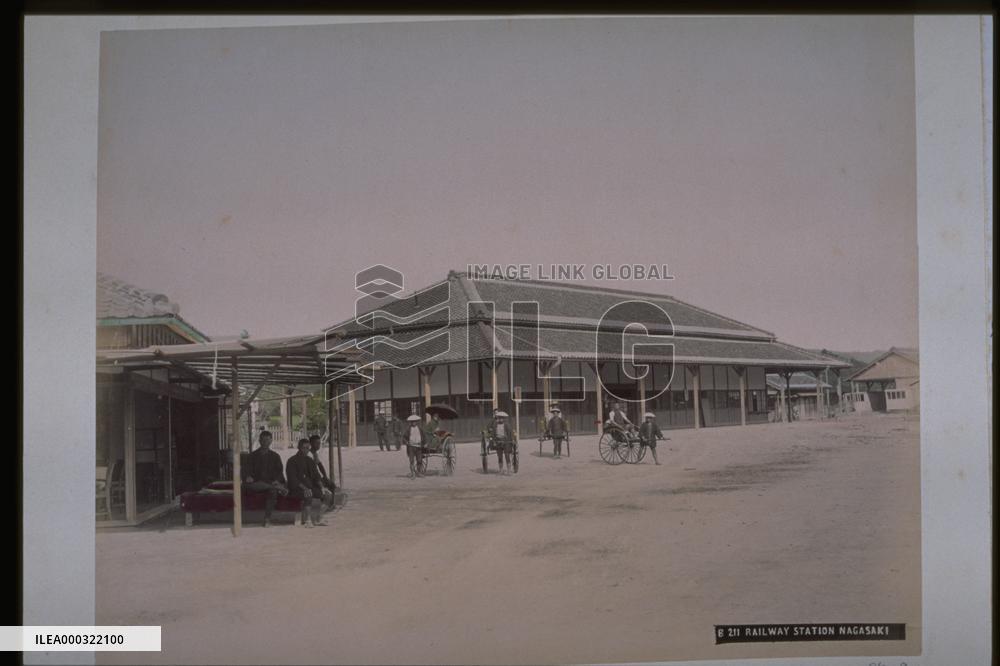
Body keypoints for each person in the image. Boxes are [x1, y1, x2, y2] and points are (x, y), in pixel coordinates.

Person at [244, 431, 287, 527]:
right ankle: (277, 488)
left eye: (267, 440)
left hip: (269, 483)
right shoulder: (251, 456)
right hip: (255, 483)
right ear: (259, 441)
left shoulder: (275, 456)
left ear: (271, 441)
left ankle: (267, 519)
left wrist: (277, 480)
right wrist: (248, 476)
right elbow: (246, 470)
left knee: (272, 490)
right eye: (263, 440)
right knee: (258, 485)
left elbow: (279, 472)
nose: (265, 442)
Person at [285, 439, 327, 527]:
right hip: (296, 489)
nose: (305, 450)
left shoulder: (310, 460)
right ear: (299, 448)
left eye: (307, 448)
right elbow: (293, 479)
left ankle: (319, 518)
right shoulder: (291, 461)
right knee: (308, 494)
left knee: (328, 495)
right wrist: (305, 488)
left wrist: (322, 487)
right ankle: (308, 521)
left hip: (310, 487)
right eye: (303, 448)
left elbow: (316, 476)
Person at [308, 434, 336, 511]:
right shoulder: (309, 455)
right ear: (311, 444)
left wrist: (325, 476)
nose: (318, 445)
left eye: (319, 443)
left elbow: (320, 465)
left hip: (317, 477)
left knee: (332, 484)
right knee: (326, 489)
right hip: (312, 479)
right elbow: (313, 471)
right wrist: (320, 480)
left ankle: (331, 505)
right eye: (316, 443)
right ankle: (325, 506)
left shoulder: (315, 454)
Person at [402, 414, 427, 478]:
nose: (414, 423)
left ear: (417, 422)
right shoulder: (408, 429)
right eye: (412, 422)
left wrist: (425, 443)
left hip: (418, 447)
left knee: (419, 460)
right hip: (411, 447)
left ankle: (419, 473)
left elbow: (424, 436)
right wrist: (406, 442)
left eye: (415, 421)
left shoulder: (420, 428)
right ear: (410, 422)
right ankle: (413, 473)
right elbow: (404, 437)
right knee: (412, 461)